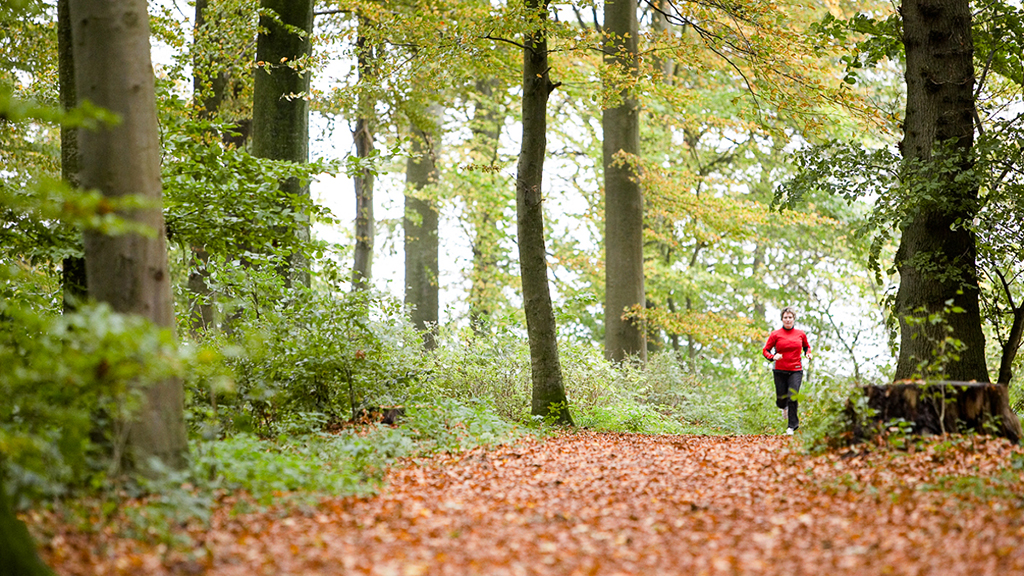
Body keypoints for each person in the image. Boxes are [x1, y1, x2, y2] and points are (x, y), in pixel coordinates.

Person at [762, 306, 811, 435]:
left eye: (790, 317)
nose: (788, 320)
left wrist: (808, 353)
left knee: (793, 396)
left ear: (794, 319)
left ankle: (792, 426)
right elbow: (765, 350)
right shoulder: (775, 334)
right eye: (785, 317)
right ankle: (783, 406)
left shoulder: (800, 334)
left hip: (796, 369)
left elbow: (807, 347)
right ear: (782, 319)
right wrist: (773, 357)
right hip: (779, 370)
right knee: (781, 399)